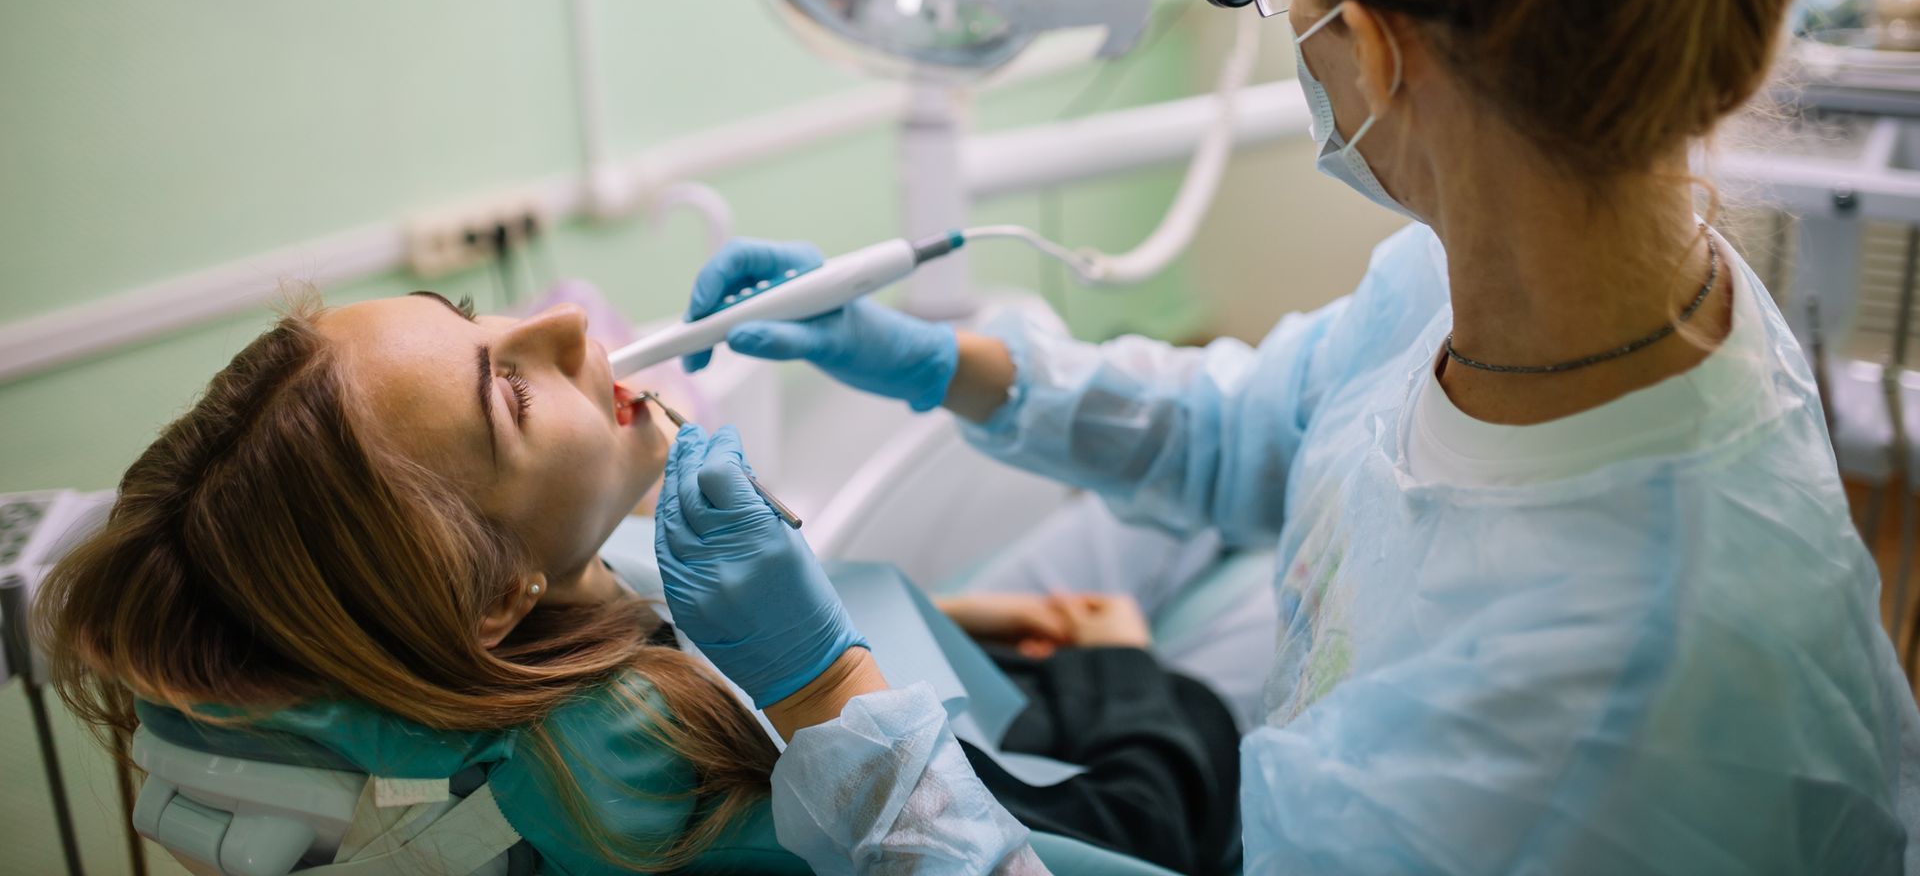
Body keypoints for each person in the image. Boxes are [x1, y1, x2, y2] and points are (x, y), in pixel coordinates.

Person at [651, 0, 1920, 870]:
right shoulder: (1514, 286)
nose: (1274, 4)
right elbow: (1259, 423)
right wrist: (940, 362)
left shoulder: (1580, 722)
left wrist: (829, 700)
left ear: (1372, 45)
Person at [35, 289, 1244, 874]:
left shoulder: (438, 668)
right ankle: (1122, 654)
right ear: (495, 592)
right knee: (1157, 609)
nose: (565, 321)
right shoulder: (655, 780)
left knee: (1115, 554)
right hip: (1097, 798)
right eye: (507, 392)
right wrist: (829, 679)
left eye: (472, 316)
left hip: (966, 672)